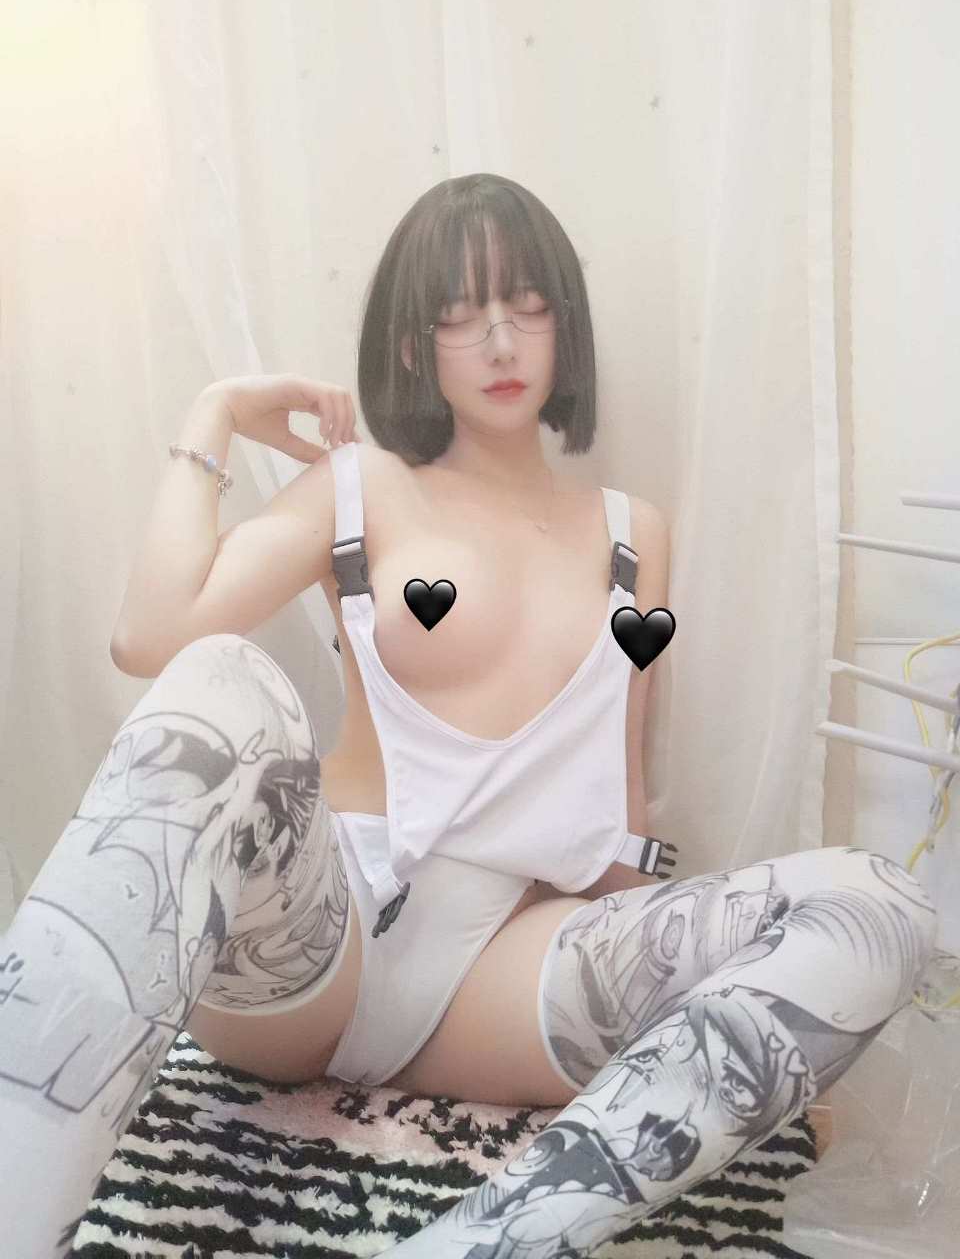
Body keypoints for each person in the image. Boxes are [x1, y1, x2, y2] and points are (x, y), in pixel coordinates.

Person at [0, 173, 938, 1258]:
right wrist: (212, 416)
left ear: (563, 325)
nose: (500, 340)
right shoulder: (360, 484)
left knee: (880, 904)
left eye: (527, 303)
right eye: (460, 311)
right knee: (224, 679)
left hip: (494, 979)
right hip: (315, 946)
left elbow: (617, 796)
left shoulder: (634, 530)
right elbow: (150, 638)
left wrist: (716, 996)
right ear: (416, 344)